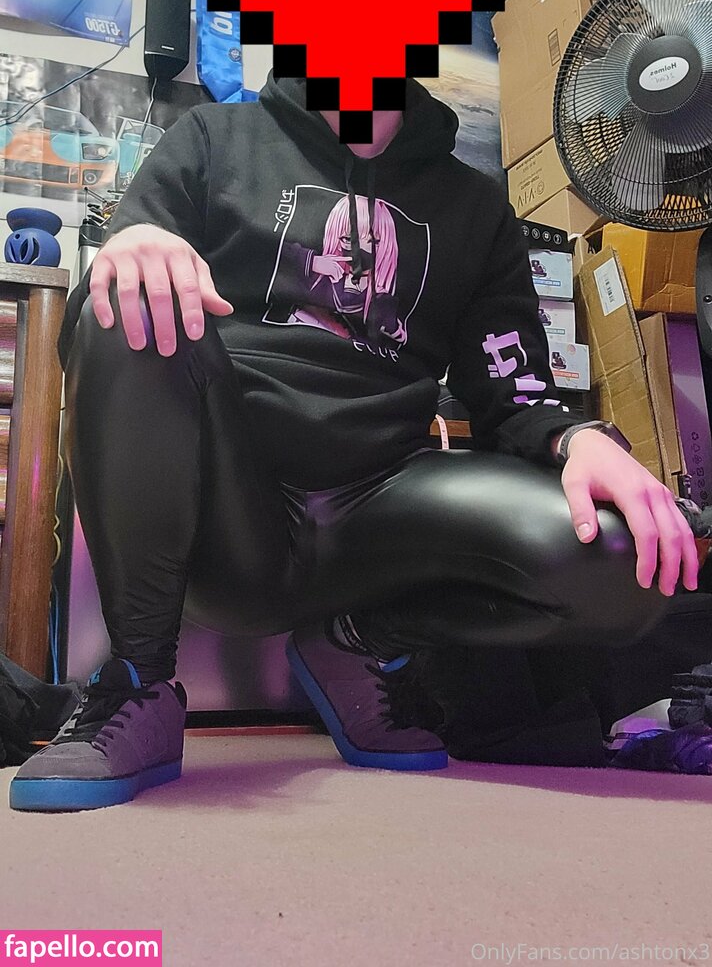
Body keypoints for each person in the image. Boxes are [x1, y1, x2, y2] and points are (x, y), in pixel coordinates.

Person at [9, 73, 699, 812]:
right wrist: (136, 237)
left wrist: (577, 435)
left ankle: (356, 640)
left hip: (379, 507)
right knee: (128, 291)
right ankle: (137, 685)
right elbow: (122, 306)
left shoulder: (475, 205)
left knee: (630, 561)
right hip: (230, 507)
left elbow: (514, 389)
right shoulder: (212, 138)